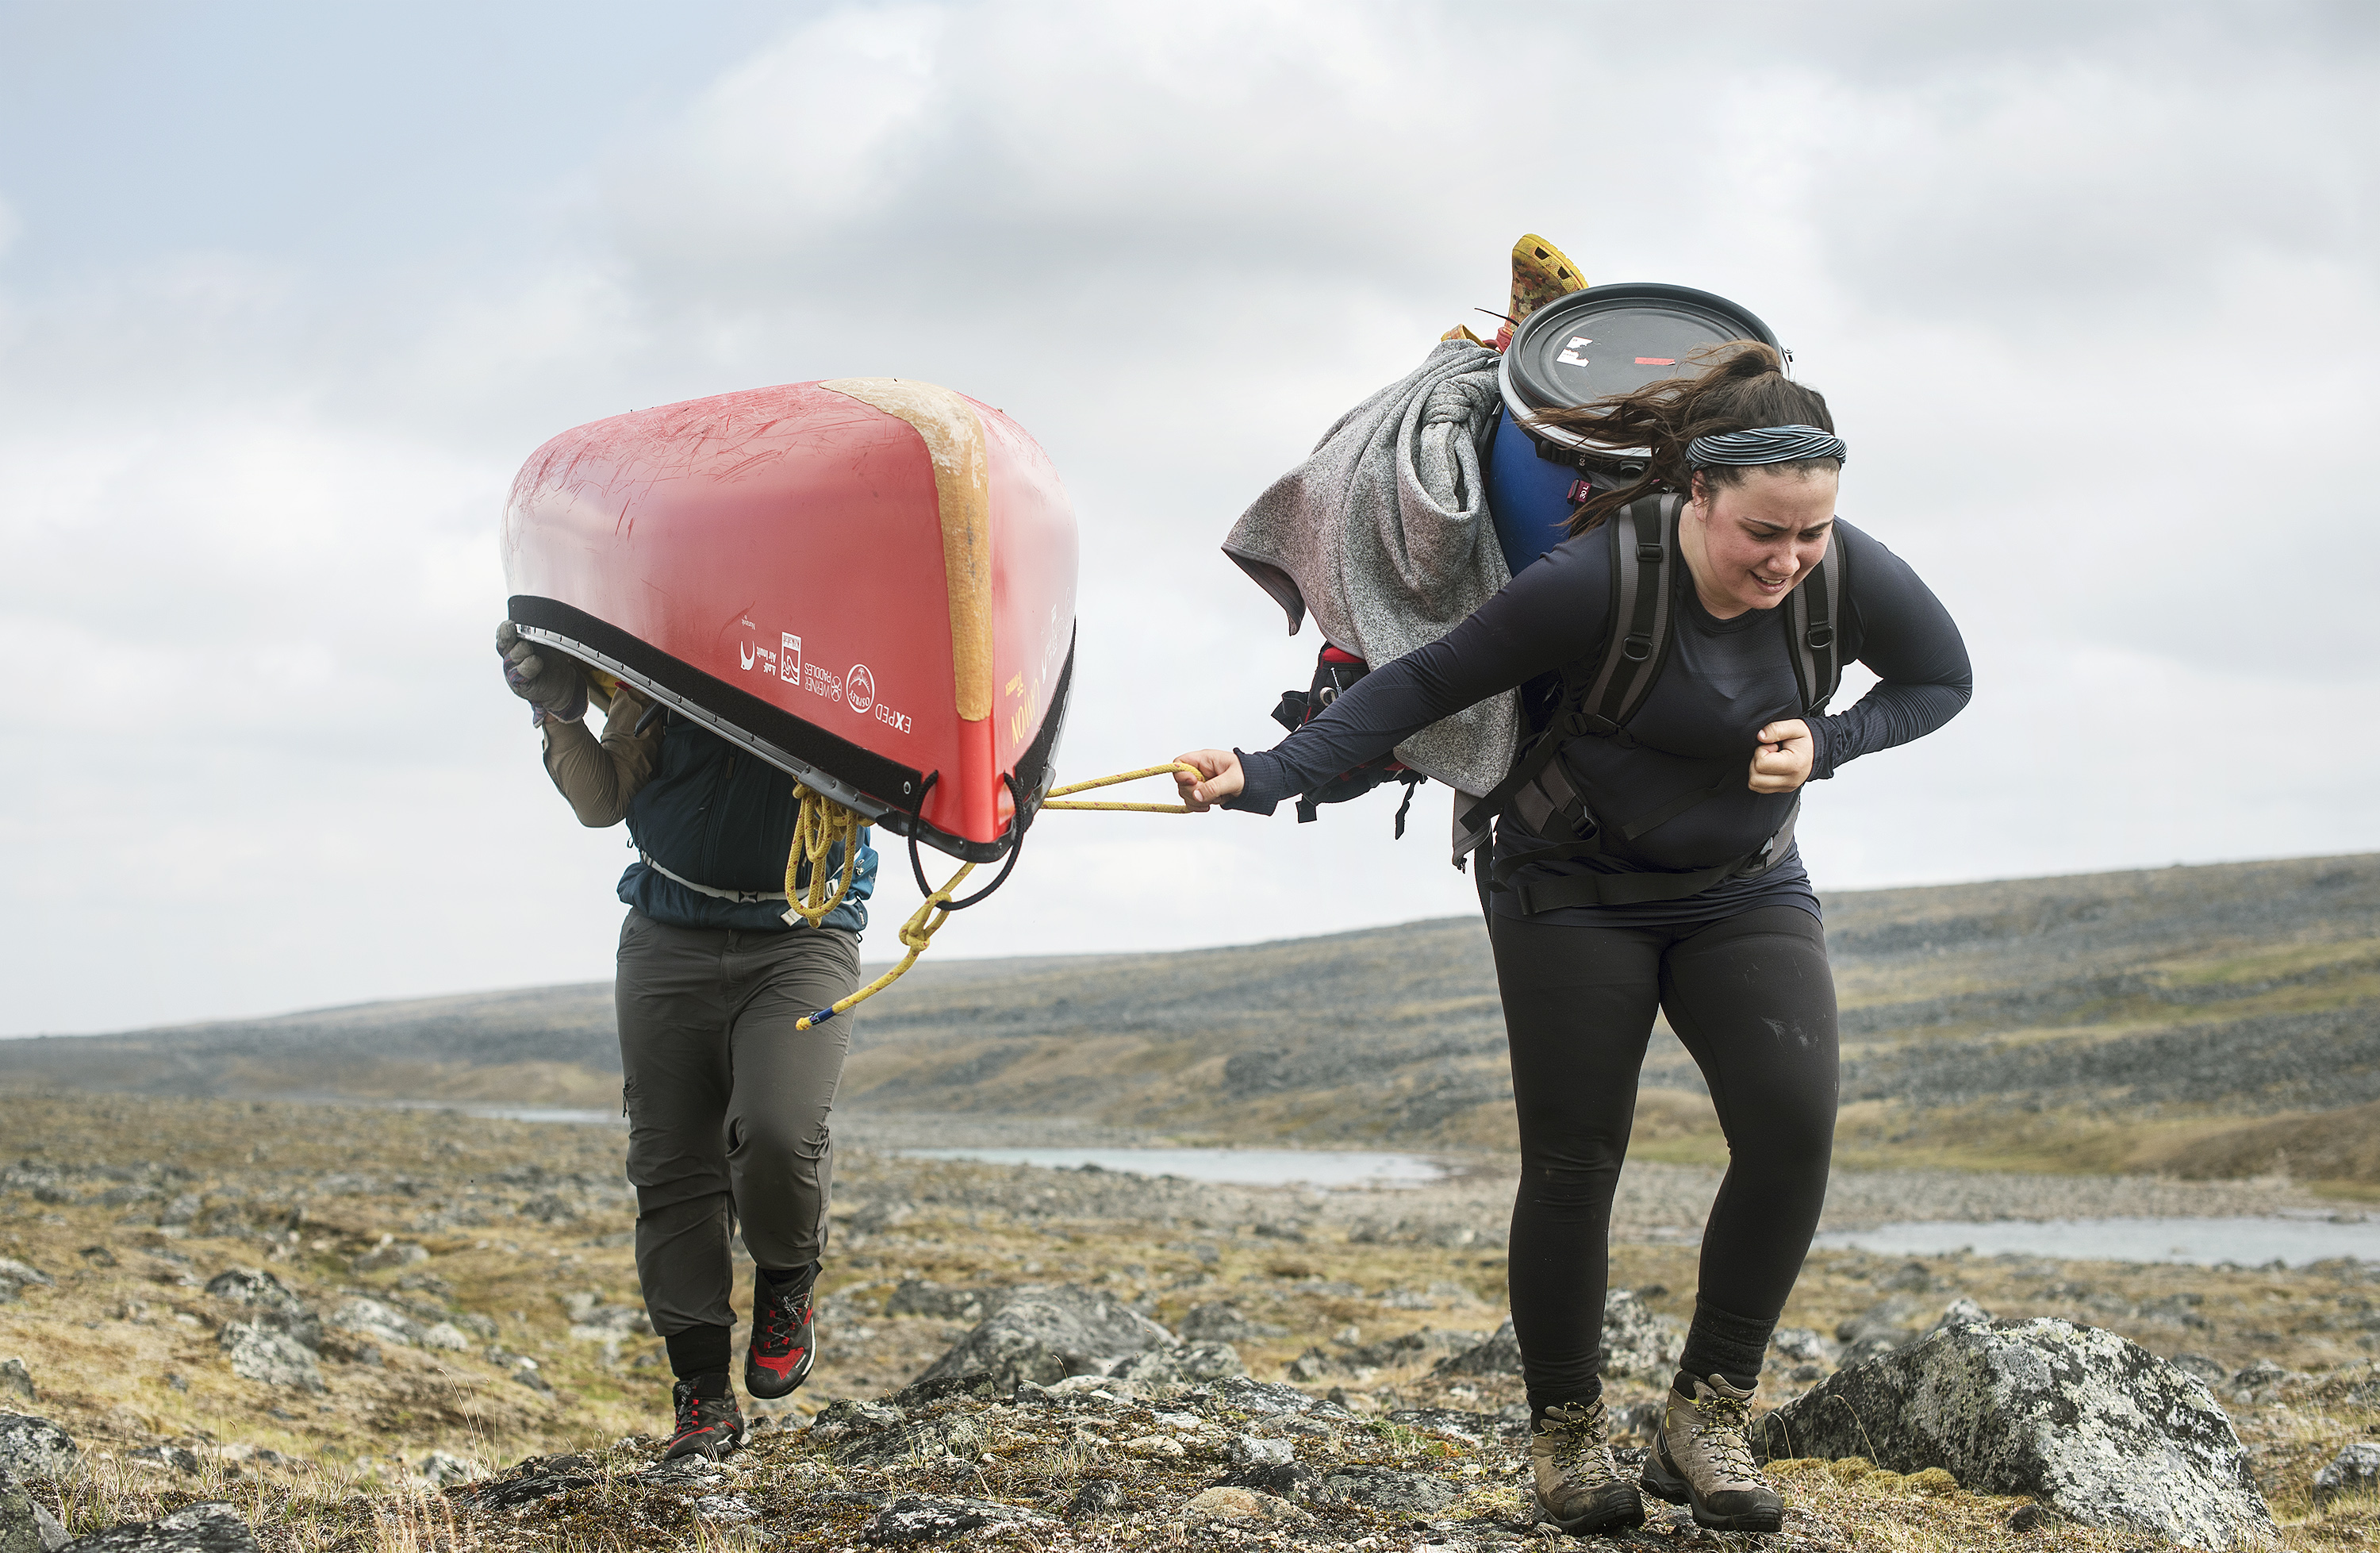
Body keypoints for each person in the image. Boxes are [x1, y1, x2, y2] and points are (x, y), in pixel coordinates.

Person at [1173, 345, 1970, 1534]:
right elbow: (1423, 684)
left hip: (1744, 886)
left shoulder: (1844, 572)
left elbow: (1942, 679)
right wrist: (1266, 771)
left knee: (1791, 1133)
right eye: (1763, 532)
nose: (1788, 559)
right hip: (1570, 886)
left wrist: (1831, 740)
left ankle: (1707, 1417)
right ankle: (1566, 1436)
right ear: (1697, 493)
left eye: (1810, 533)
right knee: (1575, 1162)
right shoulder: (1596, 577)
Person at [496, 623, 877, 1459]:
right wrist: (560, 710)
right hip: (667, 937)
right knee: (672, 1164)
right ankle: (702, 1395)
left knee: (776, 1129)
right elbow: (600, 802)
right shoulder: (660, 664)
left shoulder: (847, 662)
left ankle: (787, 1280)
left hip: (803, 934)